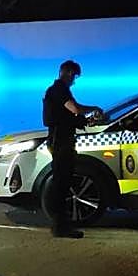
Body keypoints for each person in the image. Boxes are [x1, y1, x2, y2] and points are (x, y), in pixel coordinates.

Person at [43, 60, 103, 238]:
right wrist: (94, 109)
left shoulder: (58, 90)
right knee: (61, 184)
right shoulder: (59, 90)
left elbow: (69, 116)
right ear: (68, 72)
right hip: (60, 142)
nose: (74, 80)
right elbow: (74, 109)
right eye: (74, 76)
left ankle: (61, 225)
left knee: (63, 182)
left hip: (61, 141)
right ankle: (60, 227)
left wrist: (85, 121)